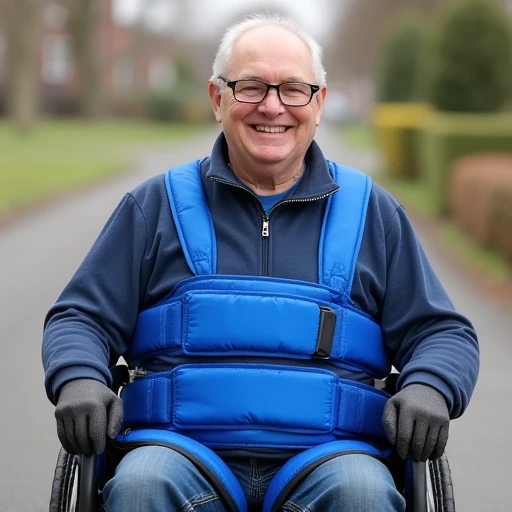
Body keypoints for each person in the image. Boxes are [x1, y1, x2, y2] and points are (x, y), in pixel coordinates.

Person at [42, 12, 479, 512]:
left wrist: (430, 386)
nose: (273, 107)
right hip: (177, 453)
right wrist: (78, 376)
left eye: (294, 89)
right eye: (250, 86)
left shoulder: (370, 213)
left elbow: (443, 332)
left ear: (319, 104)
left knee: (363, 493)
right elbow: (80, 317)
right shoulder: (155, 206)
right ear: (216, 98)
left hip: (331, 460)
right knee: (141, 485)